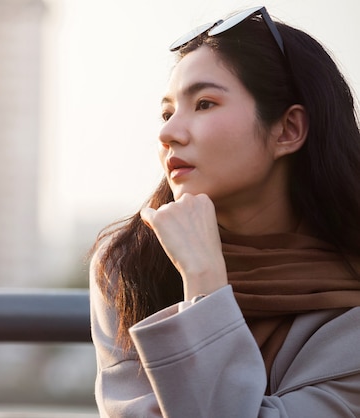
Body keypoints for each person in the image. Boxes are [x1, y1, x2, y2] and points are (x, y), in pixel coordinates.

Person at [89, 6, 360, 417]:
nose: (168, 133)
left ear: (287, 130)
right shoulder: (130, 263)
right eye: (167, 113)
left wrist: (203, 283)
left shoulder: (351, 297)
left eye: (204, 104)